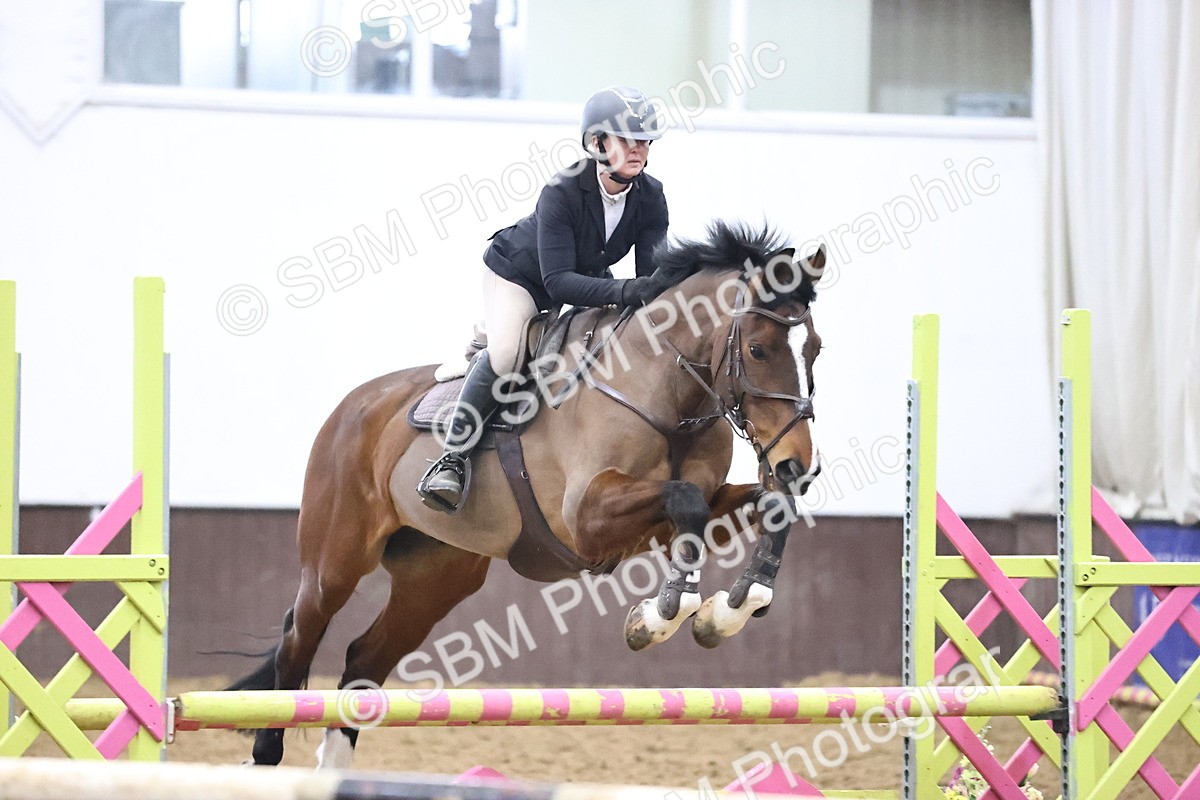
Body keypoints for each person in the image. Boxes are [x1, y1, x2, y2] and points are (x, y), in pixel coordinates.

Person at [417, 85, 675, 514]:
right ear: (597, 143)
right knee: (506, 357)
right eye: (627, 139)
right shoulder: (562, 190)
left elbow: (648, 277)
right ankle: (452, 459)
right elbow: (557, 283)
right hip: (520, 276)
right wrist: (625, 291)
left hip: (585, 275)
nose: (638, 149)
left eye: (644, 141)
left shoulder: (651, 196)